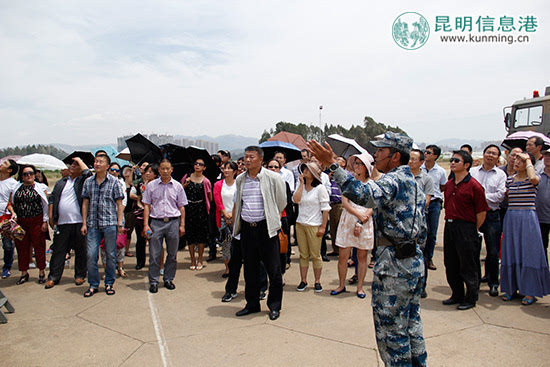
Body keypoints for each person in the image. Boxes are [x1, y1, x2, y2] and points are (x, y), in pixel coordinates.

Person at [308, 131, 428, 366]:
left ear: (395, 157)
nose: (376, 154)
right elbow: (422, 228)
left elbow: (363, 195)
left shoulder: (393, 180)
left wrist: (332, 165)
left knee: (392, 329)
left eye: (381, 151)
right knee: (411, 322)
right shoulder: (413, 182)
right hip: (412, 262)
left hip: (395, 266)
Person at [232, 146, 286, 320]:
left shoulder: (273, 178)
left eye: (251, 157)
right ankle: (252, 304)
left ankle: (274, 306)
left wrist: (271, 217)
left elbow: (281, 201)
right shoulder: (240, 179)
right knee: (250, 270)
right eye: (245, 157)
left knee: (274, 270)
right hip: (248, 229)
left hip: (267, 229)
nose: (247, 160)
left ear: (260, 160)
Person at [501, 152, 550, 305]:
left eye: (521, 161)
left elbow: (534, 179)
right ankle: (511, 288)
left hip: (528, 217)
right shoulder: (509, 180)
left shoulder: (534, 179)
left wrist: (528, 159)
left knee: (529, 252)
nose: (517, 162)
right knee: (511, 251)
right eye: (516, 159)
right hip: (512, 217)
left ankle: (529, 290)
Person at [442, 150, 489, 310]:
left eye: (457, 160)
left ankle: (470, 298)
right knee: (451, 263)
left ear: (466, 165)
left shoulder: (474, 186)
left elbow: (481, 212)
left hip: (466, 227)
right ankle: (457, 294)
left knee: (468, 265)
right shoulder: (449, 185)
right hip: (450, 226)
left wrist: (472, 229)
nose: (452, 162)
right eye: (452, 160)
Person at [331, 153, 375, 299]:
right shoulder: (348, 182)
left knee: (362, 257)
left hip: (365, 221)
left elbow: (373, 205)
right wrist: (358, 215)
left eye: (359, 163)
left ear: (366, 167)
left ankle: (360, 287)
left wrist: (363, 218)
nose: (356, 166)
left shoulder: (372, 184)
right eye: (355, 163)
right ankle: (341, 284)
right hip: (348, 219)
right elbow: (345, 203)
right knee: (343, 256)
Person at [81, 154, 125, 297]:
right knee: (91, 254)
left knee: (110, 254)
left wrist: (120, 223)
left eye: (101, 162)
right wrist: (84, 223)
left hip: (110, 223)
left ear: (107, 166)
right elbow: (85, 203)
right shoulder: (88, 182)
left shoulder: (114, 182)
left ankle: (109, 283)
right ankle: (93, 284)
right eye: (96, 161)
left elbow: (119, 204)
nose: (97, 164)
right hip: (93, 224)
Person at [45, 157, 91, 288]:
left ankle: (80, 275)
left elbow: (88, 173)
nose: (72, 166)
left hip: (79, 221)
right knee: (59, 250)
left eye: (76, 165)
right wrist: (51, 216)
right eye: (72, 164)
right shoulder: (61, 183)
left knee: (81, 250)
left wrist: (80, 161)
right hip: (63, 222)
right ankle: (53, 276)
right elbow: (52, 199)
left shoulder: (83, 181)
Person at [142, 159, 187, 293]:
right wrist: (146, 225)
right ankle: (154, 281)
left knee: (172, 254)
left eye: (168, 168)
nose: (165, 171)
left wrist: (182, 225)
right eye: (163, 169)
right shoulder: (151, 186)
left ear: (171, 169)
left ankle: (168, 279)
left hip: (173, 222)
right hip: (156, 222)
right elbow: (146, 206)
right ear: (159, 170)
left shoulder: (177, 186)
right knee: (155, 254)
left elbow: (182, 207)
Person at [470, 144, 507, 297]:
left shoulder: (500, 175)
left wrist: (479, 197)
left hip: (492, 215)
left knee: (492, 252)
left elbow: (500, 196)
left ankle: (493, 283)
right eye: (488, 152)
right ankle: (475, 281)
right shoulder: (472, 172)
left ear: (498, 157)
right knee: (473, 251)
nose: (490, 155)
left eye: (494, 153)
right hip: (474, 215)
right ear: (483, 154)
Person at [292, 161, 330, 293]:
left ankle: (317, 281)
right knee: (303, 254)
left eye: (308, 169)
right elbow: (295, 200)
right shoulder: (300, 185)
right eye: (304, 169)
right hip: (300, 224)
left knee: (315, 255)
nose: (305, 171)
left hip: (314, 225)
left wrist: (323, 227)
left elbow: (325, 209)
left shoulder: (320, 188)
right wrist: (301, 184)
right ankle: (303, 280)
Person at [9, 164, 49, 285]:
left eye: (31, 173)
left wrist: (45, 221)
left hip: (36, 221)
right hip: (21, 221)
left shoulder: (40, 187)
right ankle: (23, 272)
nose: (29, 176)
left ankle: (42, 271)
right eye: (26, 174)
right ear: (22, 176)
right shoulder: (16, 188)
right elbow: (10, 203)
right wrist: (13, 213)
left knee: (39, 247)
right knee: (22, 248)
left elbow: (45, 206)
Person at [409, 149, 434, 298]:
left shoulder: (426, 179)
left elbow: (427, 200)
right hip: (404, 224)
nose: (411, 161)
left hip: (419, 222)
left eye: (414, 159)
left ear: (421, 162)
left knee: (420, 255)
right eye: (409, 158)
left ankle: (421, 285)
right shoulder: (401, 177)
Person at [182, 158, 212, 271]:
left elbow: (210, 198)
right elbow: (180, 191)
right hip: (189, 208)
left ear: (204, 168)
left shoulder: (206, 181)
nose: (197, 166)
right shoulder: (187, 177)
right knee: (190, 235)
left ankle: (200, 259)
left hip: (201, 209)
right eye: (196, 164)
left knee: (201, 236)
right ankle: (192, 259)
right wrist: (186, 184)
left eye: (200, 164)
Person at [421, 145, 447, 271]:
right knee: (421, 231)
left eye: (428, 152)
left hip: (435, 203)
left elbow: (442, 187)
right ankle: (420, 257)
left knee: (432, 233)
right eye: (425, 152)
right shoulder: (419, 168)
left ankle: (429, 257)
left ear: (435, 156)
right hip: (421, 202)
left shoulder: (441, 171)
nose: (425, 154)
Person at [213, 161, 238, 277]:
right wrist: (224, 213)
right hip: (223, 218)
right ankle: (228, 268)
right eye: (225, 168)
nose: (226, 170)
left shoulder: (238, 184)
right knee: (226, 243)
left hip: (236, 217)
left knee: (237, 244)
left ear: (235, 172)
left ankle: (237, 266)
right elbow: (217, 200)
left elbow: (239, 200)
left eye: (229, 168)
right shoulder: (218, 184)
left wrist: (232, 214)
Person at [131, 163, 157, 270]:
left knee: (154, 240)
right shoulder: (140, 184)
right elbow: (135, 196)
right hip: (141, 214)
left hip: (154, 215)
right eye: (146, 171)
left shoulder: (158, 185)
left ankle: (154, 261)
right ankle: (140, 262)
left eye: (150, 171)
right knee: (140, 239)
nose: (147, 173)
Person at [0, 159, 18, 279]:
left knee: (7, 244)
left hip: (6, 216)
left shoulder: (13, 184)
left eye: (5, 163)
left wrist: (13, 213)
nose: (1, 163)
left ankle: (7, 266)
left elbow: (13, 202)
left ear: (9, 170)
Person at [326, 156, 347, 257]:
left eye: (339, 160)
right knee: (333, 228)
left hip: (341, 204)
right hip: (332, 204)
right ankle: (336, 250)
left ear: (344, 164)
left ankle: (346, 251)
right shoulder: (331, 175)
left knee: (341, 228)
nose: (337, 161)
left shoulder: (346, 175)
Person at [536, 150, 550, 263]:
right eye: (546, 155)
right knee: (541, 247)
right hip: (541, 218)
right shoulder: (537, 176)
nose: (548, 157)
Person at [121, 165, 136, 257]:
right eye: (126, 171)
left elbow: (131, 182)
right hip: (121, 210)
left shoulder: (132, 185)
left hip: (130, 210)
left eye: (129, 171)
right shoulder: (120, 183)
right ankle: (120, 249)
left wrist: (133, 171)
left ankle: (126, 250)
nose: (127, 173)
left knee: (129, 230)